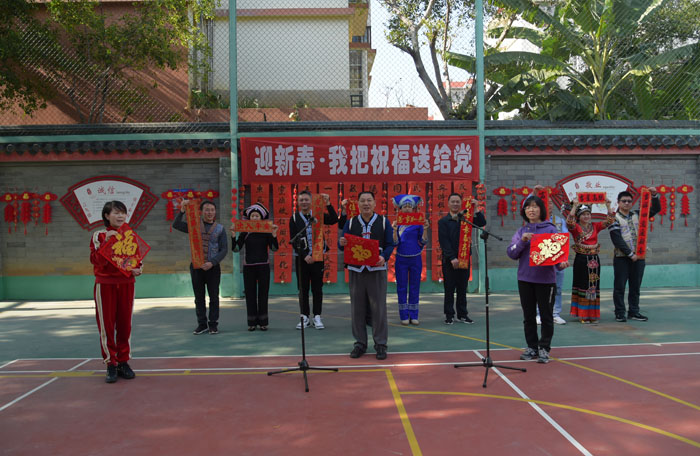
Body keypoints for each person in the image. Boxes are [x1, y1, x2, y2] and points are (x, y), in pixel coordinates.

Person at [507, 195, 569, 364]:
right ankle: (532, 347)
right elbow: (511, 253)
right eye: (528, 207)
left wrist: (561, 265)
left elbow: (557, 256)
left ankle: (544, 348)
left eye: (535, 206)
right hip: (525, 280)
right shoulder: (521, 232)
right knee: (528, 316)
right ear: (524, 211)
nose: (531, 210)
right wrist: (522, 241)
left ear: (541, 210)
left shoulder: (550, 230)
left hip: (546, 281)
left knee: (547, 316)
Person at [89, 200, 143, 383]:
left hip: (126, 284)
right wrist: (109, 240)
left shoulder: (130, 235)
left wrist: (137, 268)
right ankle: (111, 363)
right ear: (106, 215)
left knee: (125, 324)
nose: (120, 216)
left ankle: (123, 361)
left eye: (123, 213)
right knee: (107, 325)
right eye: (116, 213)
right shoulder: (99, 236)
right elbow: (96, 260)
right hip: (105, 285)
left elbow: (136, 258)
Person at [339, 191, 394, 360]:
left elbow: (390, 244)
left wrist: (384, 256)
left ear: (375, 203)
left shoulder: (383, 222)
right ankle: (360, 343)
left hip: (376, 270)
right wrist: (342, 242)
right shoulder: (351, 222)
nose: (366, 203)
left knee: (379, 309)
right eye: (362, 201)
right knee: (357, 309)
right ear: (358, 204)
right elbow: (342, 245)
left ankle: (380, 344)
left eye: (369, 200)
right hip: (356, 271)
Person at [172, 199, 228, 335]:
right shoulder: (194, 226)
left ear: (215, 212)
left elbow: (224, 249)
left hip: (213, 268)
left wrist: (212, 262)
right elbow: (176, 224)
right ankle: (202, 324)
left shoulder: (220, 229)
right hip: (196, 267)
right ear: (201, 212)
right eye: (207, 210)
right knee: (199, 297)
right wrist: (182, 211)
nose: (210, 212)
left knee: (214, 297)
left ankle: (213, 324)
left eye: (212, 210)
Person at [288, 190, 338, 330]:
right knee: (302, 288)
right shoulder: (294, 218)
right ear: (298, 202)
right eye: (301, 200)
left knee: (317, 288)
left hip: (318, 257)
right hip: (302, 259)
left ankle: (317, 316)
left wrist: (328, 204)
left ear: (311, 201)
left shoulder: (318, 215)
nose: (304, 202)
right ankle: (304, 316)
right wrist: (304, 255)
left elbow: (334, 220)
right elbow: (293, 240)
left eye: (306, 199)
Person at [608, 188, 660, 322]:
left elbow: (655, 210)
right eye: (624, 201)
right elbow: (617, 239)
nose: (627, 203)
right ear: (618, 202)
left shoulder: (638, 214)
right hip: (622, 258)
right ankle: (620, 313)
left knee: (635, 286)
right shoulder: (613, 218)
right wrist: (630, 254)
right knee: (619, 287)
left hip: (639, 257)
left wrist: (654, 195)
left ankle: (634, 311)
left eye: (629, 201)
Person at [437, 192, 486, 325]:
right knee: (449, 289)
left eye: (457, 202)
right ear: (448, 204)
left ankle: (462, 314)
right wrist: (452, 257)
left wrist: (476, 209)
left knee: (462, 289)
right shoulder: (443, 222)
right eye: (452, 201)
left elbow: (482, 223)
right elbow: (444, 241)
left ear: (461, 203)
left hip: (464, 259)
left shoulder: (465, 219)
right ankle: (449, 315)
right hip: (450, 261)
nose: (455, 204)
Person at [567, 198, 615, 324]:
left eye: (588, 214)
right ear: (579, 216)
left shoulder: (595, 226)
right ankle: (582, 314)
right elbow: (569, 222)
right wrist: (574, 206)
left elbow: (610, 221)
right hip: (581, 260)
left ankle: (592, 314)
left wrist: (608, 206)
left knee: (593, 286)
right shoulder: (575, 227)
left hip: (594, 260)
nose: (586, 216)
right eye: (583, 214)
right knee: (582, 285)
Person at [231, 203, 279, 331]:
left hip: (263, 266)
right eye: (252, 216)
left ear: (261, 218)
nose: (255, 218)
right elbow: (236, 249)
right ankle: (251, 322)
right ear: (249, 218)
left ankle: (263, 322)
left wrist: (274, 234)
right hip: (249, 267)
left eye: (257, 216)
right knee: (250, 295)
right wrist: (233, 235)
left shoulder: (266, 231)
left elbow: (274, 248)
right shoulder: (245, 232)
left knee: (263, 295)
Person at [391, 194, 429, 325]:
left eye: (409, 206)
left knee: (415, 286)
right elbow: (395, 243)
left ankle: (414, 315)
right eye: (405, 206)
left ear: (413, 208)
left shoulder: (418, 223)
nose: (407, 208)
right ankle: (403, 315)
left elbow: (423, 241)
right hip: (401, 258)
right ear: (400, 208)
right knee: (401, 287)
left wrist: (425, 229)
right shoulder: (397, 223)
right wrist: (394, 230)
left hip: (415, 258)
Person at [533, 186, 568, 326]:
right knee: (540, 288)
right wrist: (533, 193)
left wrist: (563, 258)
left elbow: (564, 238)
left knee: (557, 288)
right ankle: (539, 313)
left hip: (557, 259)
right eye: (546, 203)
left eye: (551, 203)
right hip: (541, 259)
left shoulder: (559, 221)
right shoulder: (535, 221)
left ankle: (555, 313)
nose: (549, 205)